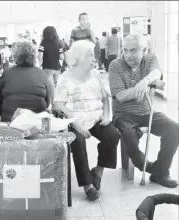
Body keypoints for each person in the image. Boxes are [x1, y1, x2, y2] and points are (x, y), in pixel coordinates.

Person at [108, 34, 179, 188]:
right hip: (122, 114)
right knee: (129, 133)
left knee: (174, 128)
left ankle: (161, 172)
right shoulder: (115, 65)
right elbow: (120, 96)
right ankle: (148, 167)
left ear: (144, 50)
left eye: (133, 50)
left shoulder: (150, 59)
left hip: (147, 112)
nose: (128, 55)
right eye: (125, 50)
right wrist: (145, 85)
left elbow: (157, 73)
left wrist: (145, 82)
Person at [54, 40, 120, 201]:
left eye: (94, 54)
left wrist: (106, 116)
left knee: (113, 135)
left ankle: (98, 171)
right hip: (74, 121)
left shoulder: (97, 75)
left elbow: (105, 99)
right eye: (89, 55)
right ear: (78, 58)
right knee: (78, 141)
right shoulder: (65, 78)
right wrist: (77, 124)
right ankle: (87, 185)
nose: (94, 58)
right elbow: (58, 104)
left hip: (96, 119)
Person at [0, 41, 51, 122]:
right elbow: (48, 102)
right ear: (34, 56)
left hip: (10, 122)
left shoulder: (7, 73)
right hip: (36, 122)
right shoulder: (42, 74)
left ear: (16, 56)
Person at [38, 26, 64, 105]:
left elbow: (40, 57)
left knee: (50, 89)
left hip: (47, 68)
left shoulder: (43, 42)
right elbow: (61, 57)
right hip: (57, 68)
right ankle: (56, 104)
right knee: (55, 87)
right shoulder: (58, 43)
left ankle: (52, 105)